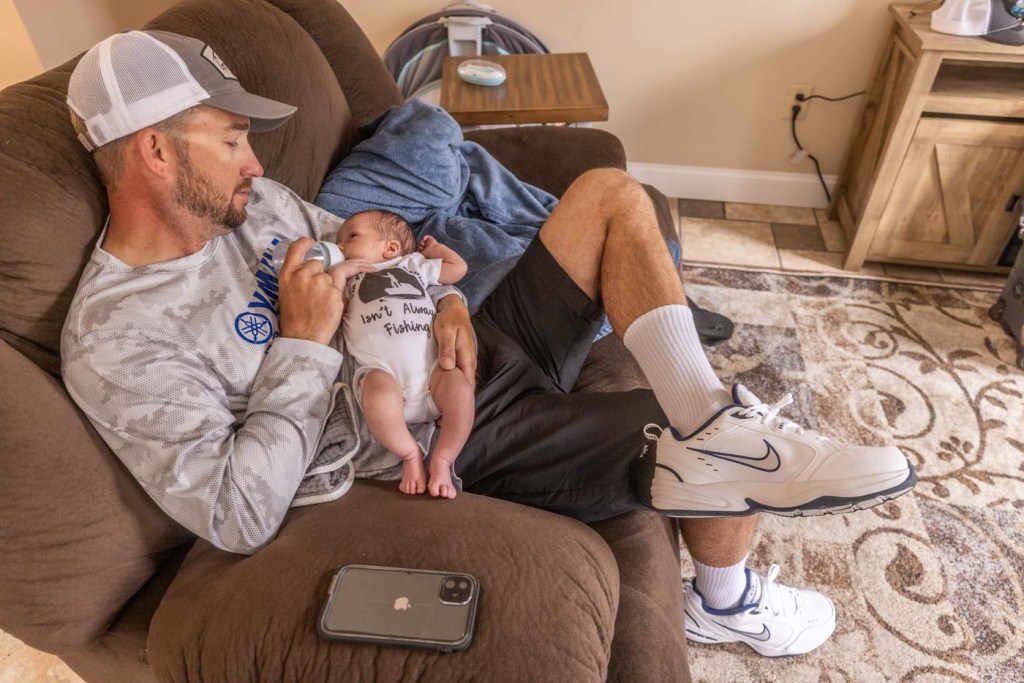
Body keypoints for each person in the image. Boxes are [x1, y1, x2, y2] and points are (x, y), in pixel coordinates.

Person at [61, 30, 916, 659]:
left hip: (459, 350)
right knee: (697, 444)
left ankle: (716, 422)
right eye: (230, 140)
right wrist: (304, 345)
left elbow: (373, 262)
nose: (255, 163)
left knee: (608, 195)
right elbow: (238, 513)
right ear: (155, 151)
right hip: (431, 428)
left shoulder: (262, 209)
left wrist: (449, 304)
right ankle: (724, 599)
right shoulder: (117, 337)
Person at [333, 210, 472, 499]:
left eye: (352, 237)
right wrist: (337, 275)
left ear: (391, 247)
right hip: (384, 374)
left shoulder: (412, 266)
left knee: (461, 389)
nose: (341, 246)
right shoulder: (349, 280)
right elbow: (331, 310)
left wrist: (436, 250)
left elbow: (458, 268)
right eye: (339, 242)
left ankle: (442, 459)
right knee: (376, 394)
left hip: (434, 373)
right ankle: (410, 454)